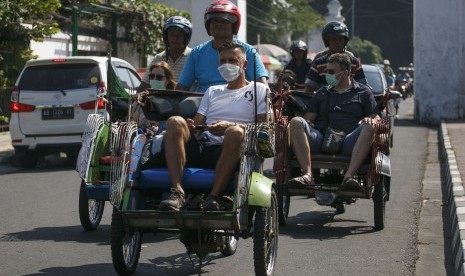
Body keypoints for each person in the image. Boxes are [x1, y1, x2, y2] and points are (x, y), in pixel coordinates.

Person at [158, 42, 270, 211]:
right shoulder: (213, 91)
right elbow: (197, 123)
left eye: (232, 60)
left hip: (237, 150)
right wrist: (191, 127)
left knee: (234, 132)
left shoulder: (259, 89)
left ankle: (213, 196)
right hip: (204, 146)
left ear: (244, 64)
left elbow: (264, 127)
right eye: (223, 61)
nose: (227, 65)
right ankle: (177, 192)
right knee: (174, 121)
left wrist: (230, 126)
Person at [288, 53, 380, 189]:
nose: (327, 75)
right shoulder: (322, 92)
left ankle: (348, 177)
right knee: (296, 122)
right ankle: (308, 175)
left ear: (346, 72)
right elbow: (308, 118)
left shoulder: (364, 92)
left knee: (370, 126)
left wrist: (370, 119)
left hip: (349, 141)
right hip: (322, 139)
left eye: (331, 72)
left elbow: (376, 117)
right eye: (326, 71)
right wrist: (306, 122)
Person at [175, 0, 268, 92]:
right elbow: (182, 87)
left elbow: (263, 88)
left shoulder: (249, 51)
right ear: (208, 25)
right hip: (203, 102)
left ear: (234, 25)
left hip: (238, 101)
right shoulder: (196, 53)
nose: (219, 24)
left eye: (224, 21)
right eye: (215, 21)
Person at [305, 21, 366, 93]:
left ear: (345, 41)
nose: (337, 42)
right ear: (327, 41)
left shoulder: (355, 63)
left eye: (340, 39)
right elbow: (309, 88)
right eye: (334, 39)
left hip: (349, 102)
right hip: (325, 103)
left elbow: (363, 87)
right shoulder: (318, 63)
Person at [137, 16, 192, 92]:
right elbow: (144, 85)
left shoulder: (193, 57)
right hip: (160, 103)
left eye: (179, 35)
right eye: (172, 34)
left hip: (186, 102)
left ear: (186, 37)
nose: (175, 38)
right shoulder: (158, 58)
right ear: (166, 37)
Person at [131, 61, 177, 131]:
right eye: (152, 76)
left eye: (159, 77)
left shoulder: (174, 103)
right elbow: (132, 128)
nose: (154, 79)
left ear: (167, 80)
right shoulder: (140, 102)